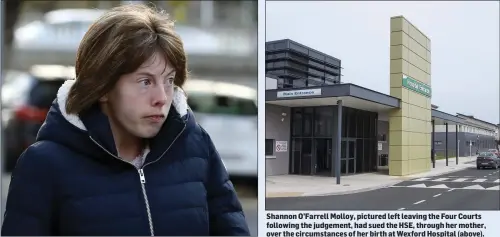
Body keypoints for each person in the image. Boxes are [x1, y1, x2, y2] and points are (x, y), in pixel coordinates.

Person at [1, 4, 251, 236]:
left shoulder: (197, 147)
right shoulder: (44, 166)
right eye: (145, 81)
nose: (162, 98)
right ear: (103, 88)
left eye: (169, 80)